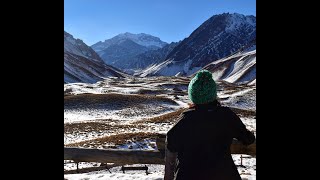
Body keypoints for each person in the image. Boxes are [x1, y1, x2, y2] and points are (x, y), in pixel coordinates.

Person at [164, 70, 255, 180]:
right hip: (223, 175)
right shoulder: (226, 116)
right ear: (213, 94)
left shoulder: (185, 119)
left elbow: (171, 143)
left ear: (193, 95)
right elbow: (248, 139)